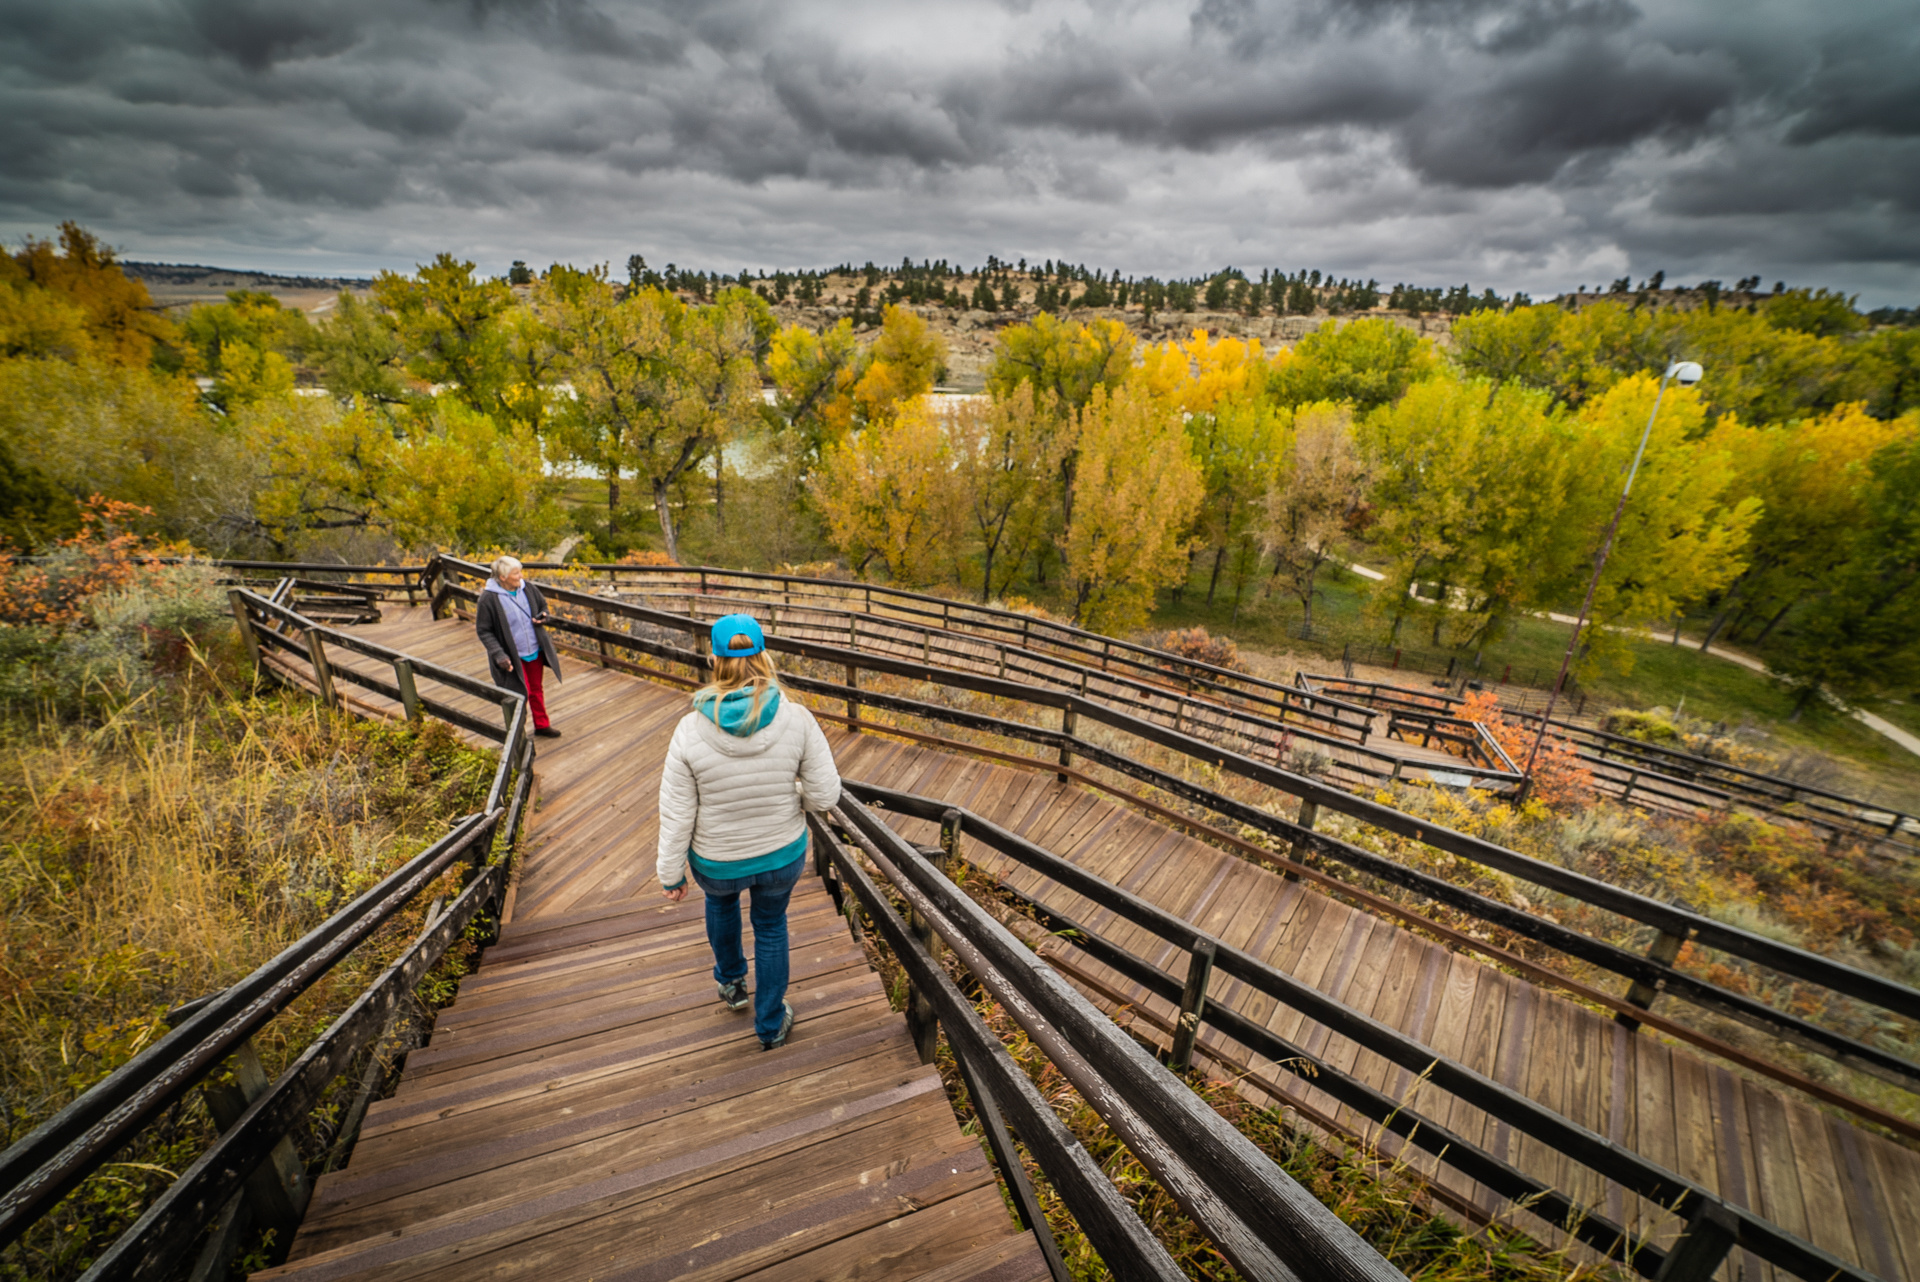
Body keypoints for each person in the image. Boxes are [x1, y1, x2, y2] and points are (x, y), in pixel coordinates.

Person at [657, 614, 841, 1050]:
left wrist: (671, 873)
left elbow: (677, 812)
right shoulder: (797, 719)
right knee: (771, 925)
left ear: (714, 660)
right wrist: (792, 792)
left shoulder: (689, 730)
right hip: (780, 853)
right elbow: (825, 795)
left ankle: (732, 984)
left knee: (721, 909)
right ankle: (771, 1024)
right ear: (764, 657)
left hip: (717, 861)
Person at [475, 555, 563, 739]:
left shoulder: (528, 588)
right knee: (518, 694)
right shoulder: (488, 599)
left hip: (534, 650)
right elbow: (484, 631)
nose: (521, 576)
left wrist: (543, 616)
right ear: (503, 577)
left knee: (536, 689)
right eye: (516, 573)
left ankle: (542, 725)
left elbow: (543, 606)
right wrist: (499, 654)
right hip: (511, 656)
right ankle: (517, 734)